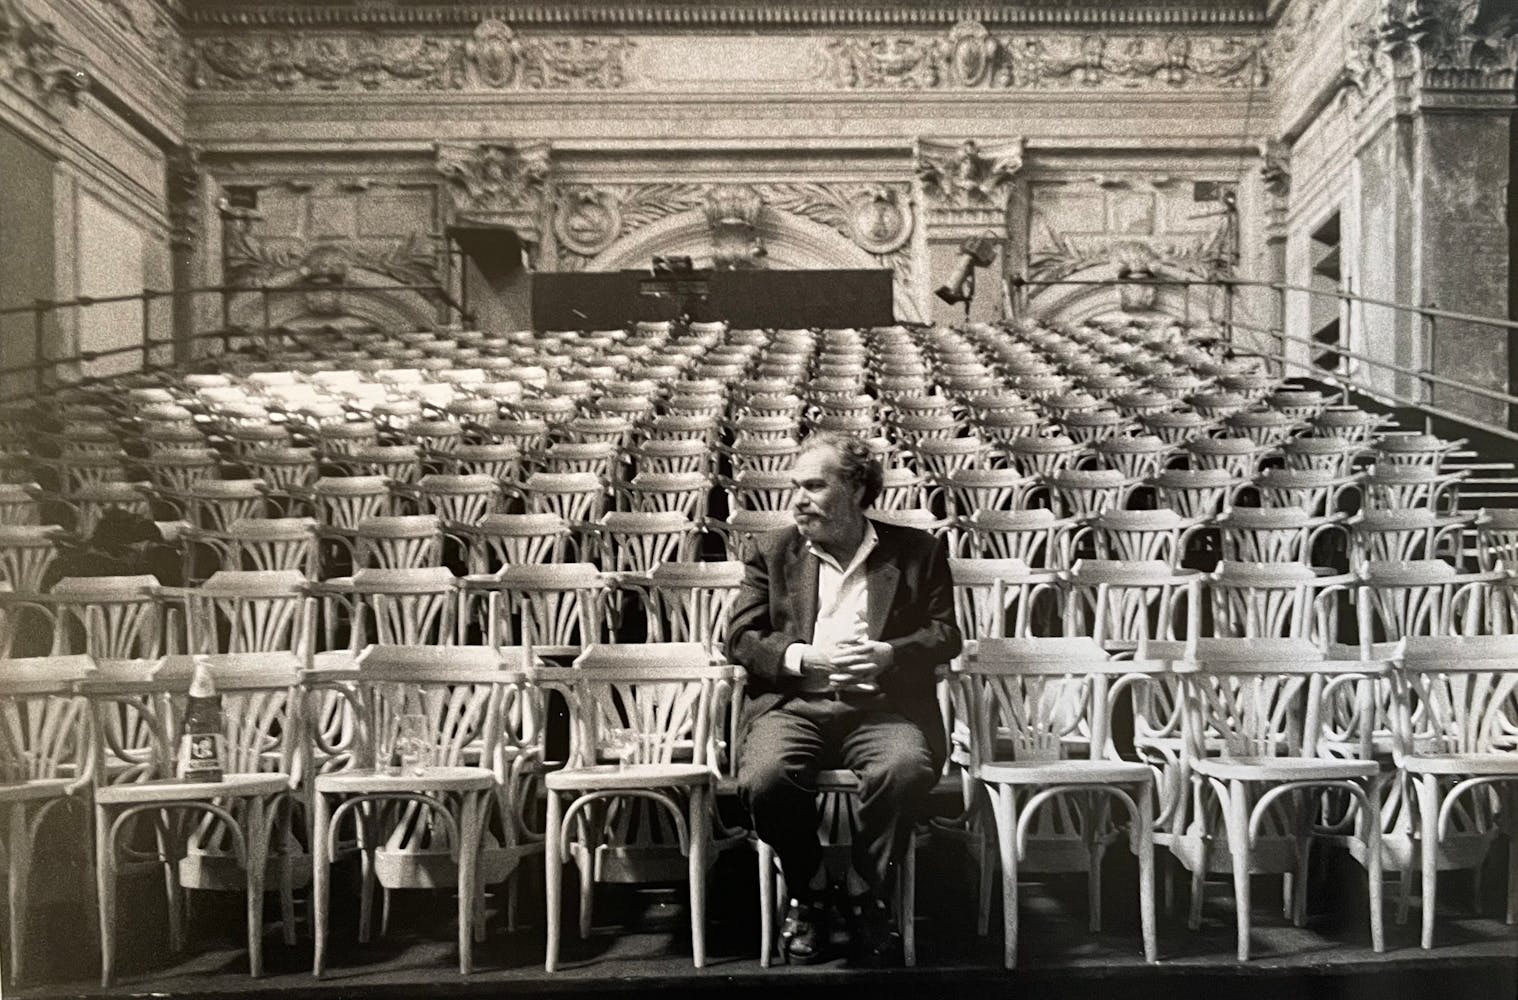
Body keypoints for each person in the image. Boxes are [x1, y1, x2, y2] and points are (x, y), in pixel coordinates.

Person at [727, 432, 961, 966]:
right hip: (795, 706)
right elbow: (740, 638)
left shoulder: (917, 550)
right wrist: (804, 659)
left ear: (856, 488)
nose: (798, 500)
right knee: (766, 778)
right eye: (795, 487)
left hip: (881, 708)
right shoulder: (773, 550)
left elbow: (945, 634)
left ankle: (862, 886)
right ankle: (809, 887)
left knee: (903, 768)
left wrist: (887, 654)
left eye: (814, 485)